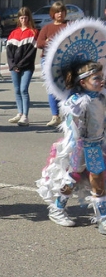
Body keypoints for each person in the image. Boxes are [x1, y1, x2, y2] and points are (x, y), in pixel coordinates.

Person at [38, 61, 106, 229]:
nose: (102, 81)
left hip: (97, 146)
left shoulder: (101, 97)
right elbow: (72, 127)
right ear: (83, 82)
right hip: (80, 147)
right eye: (97, 78)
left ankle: (102, 218)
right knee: (72, 179)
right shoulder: (77, 101)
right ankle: (57, 208)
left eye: (102, 77)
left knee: (98, 180)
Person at [35, 1, 69, 127]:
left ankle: (68, 114)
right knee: (51, 88)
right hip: (48, 60)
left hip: (66, 60)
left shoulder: (69, 25)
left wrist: (51, 41)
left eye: (62, 11)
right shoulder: (47, 28)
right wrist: (51, 42)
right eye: (57, 12)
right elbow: (39, 43)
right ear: (53, 14)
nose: (60, 14)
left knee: (67, 87)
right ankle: (55, 116)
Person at [5, 7, 38, 127]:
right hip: (14, 67)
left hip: (27, 66)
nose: (23, 20)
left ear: (29, 18)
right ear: (18, 19)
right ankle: (19, 113)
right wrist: (13, 65)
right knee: (17, 90)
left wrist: (20, 65)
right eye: (21, 18)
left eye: (25, 17)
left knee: (24, 90)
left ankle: (25, 116)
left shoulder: (33, 32)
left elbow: (30, 53)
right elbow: (8, 51)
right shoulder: (13, 33)